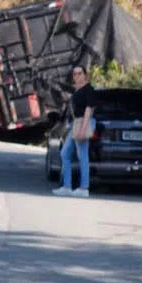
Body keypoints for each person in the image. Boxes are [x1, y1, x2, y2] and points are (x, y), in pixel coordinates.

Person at [52, 65, 96, 197]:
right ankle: (67, 186)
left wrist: (83, 128)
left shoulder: (89, 89)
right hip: (76, 123)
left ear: (85, 75)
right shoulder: (77, 90)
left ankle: (84, 188)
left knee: (82, 155)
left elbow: (89, 109)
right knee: (65, 153)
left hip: (83, 122)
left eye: (79, 73)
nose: (77, 76)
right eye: (75, 74)